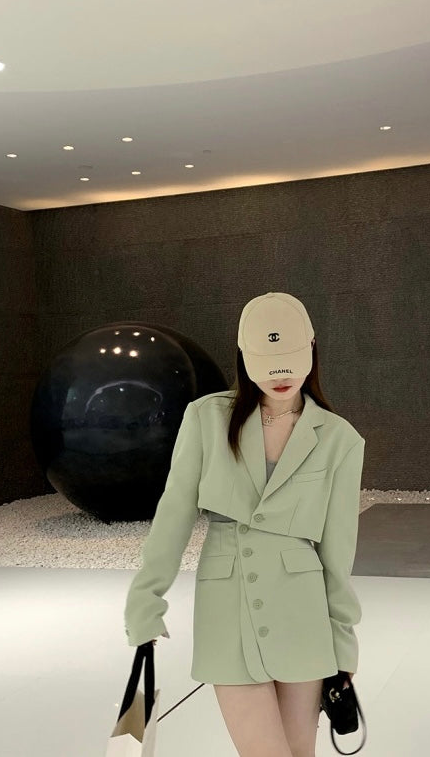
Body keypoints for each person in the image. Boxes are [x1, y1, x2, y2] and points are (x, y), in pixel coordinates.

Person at [124, 291, 365, 757]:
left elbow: (338, 555)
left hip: (303, 616)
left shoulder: (340, 439)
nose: (281, 376)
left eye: (291, 361)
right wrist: (145, 601)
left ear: (312, 350)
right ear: (244, 356)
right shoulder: (206, 418)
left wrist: (343, 643)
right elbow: (174, 516)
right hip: (227, 612)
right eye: (267, 363)